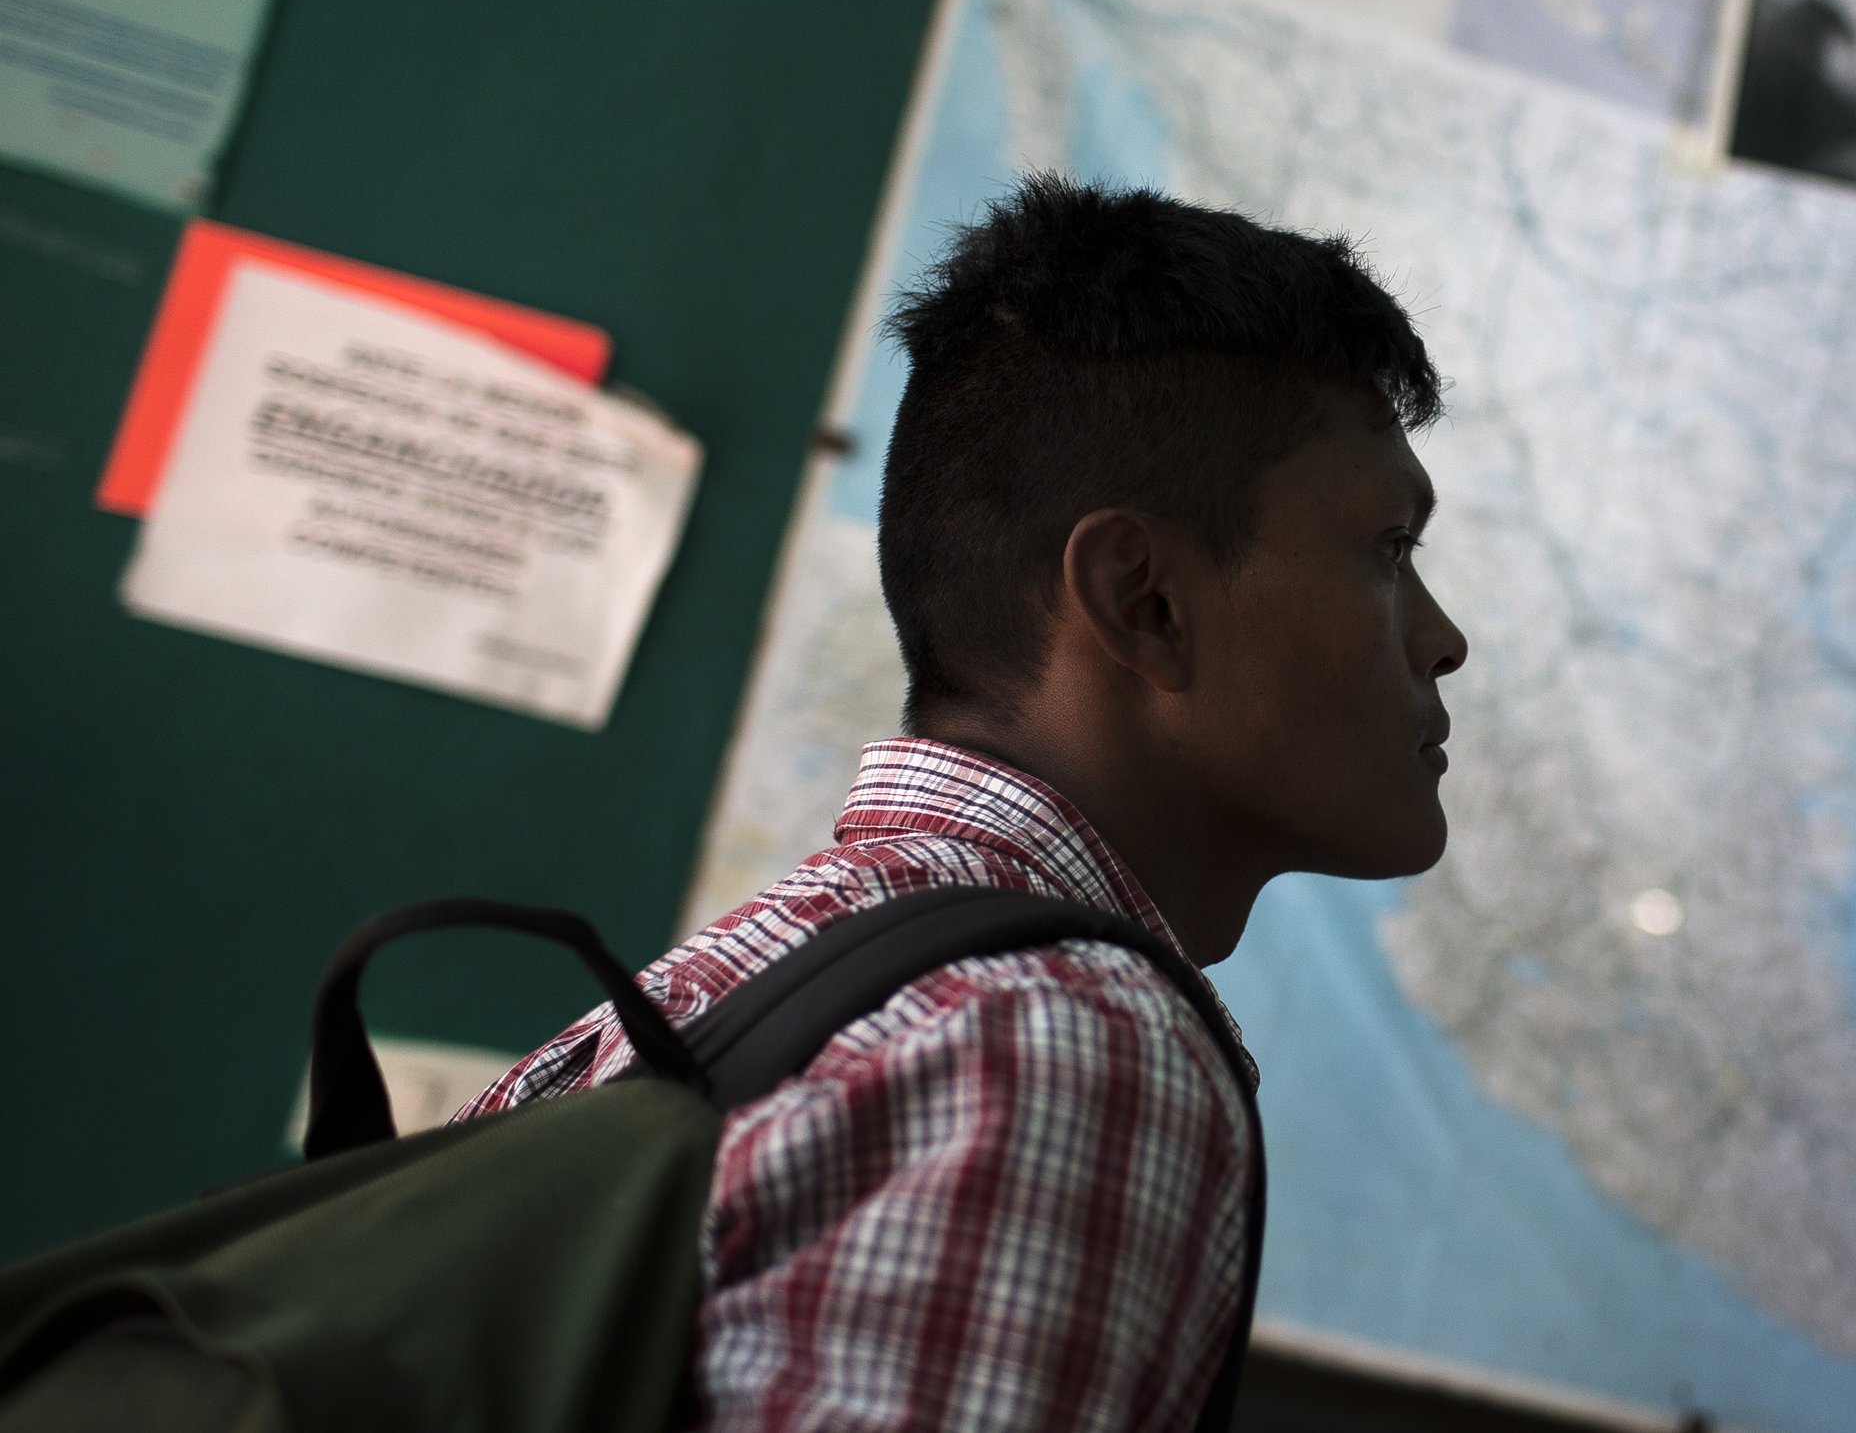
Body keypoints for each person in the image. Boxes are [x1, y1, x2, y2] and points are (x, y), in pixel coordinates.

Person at [459, 175, 1468, 1431]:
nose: (1443, 639)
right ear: (1144, 598)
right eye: (1387, 549)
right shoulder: (1056, 1041)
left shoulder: (750, 976)